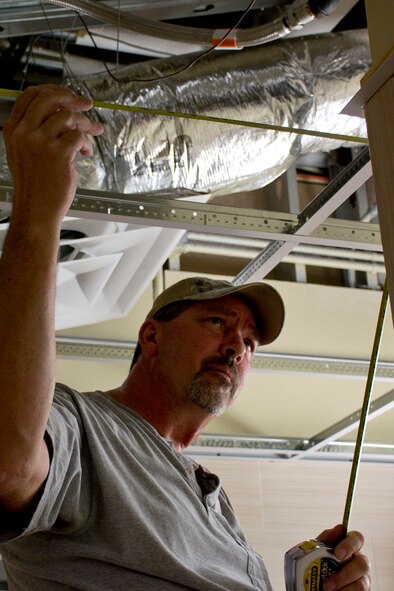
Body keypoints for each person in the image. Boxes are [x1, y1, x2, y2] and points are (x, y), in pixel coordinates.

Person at [0, 85, 371, 590]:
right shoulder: (82, 426)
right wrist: (37, 214)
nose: (237, 346)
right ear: (151, 336)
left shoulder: (216, 502)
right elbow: (9, 464)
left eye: (249, 342)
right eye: (218, 322)